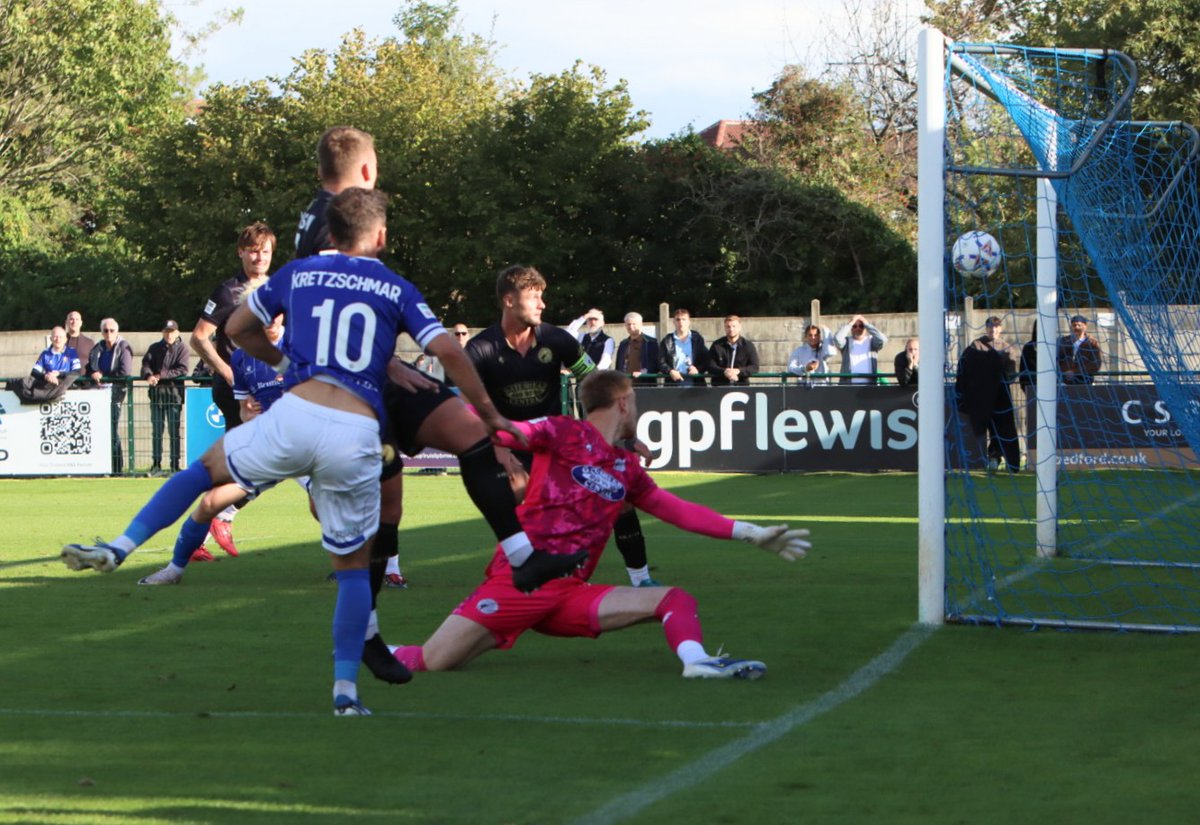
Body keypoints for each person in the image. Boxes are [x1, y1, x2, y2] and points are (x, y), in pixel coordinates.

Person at [62, 187, 521, 716]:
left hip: (295, 416)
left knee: (203, 473)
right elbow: (443, 348)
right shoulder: (391, 283)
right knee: (352, 569)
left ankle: (122, 545)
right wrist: (487, 415)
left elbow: (234, 329)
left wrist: (284, 367)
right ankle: (346, 693)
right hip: (354, 431)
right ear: (381, 236)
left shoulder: (298, 275)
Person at [387, 370, 811, 680]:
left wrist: (750, 532)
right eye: (636, 404)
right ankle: (368, 648)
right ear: (624, 401)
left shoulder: (626, 467)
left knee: (675, 599)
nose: (636, 413)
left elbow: (675, 508)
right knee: (435, 660)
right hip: (523, 581)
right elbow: (508, 432)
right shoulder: (562, 431)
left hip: (570, 592)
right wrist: (459, 412)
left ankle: (697, 662)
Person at [467, 265, 661, 588]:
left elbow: (598, 383)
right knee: (517, 493)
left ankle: (641, 580)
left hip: (555, 444)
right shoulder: (481, 349)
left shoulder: (556, 340)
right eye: (533, 297)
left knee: (619, 494)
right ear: (509, 301)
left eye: (542, 296)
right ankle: (520, 579)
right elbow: (466, 403)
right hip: (510, 448)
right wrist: (498, 449)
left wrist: (626, 434)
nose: (542, 304)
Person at [189, 221, 276, 555]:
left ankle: (201, 535)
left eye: (265, 251)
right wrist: (228, 373)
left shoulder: (274, 288)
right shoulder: (229, 291)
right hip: (240, 391)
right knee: (266, 460)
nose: (259, 257)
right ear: (241, 252)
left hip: (267, 386)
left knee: (249, 463)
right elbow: (198, 337)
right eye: (253, 250)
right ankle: (220, 516)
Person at [956, 316, 1020, 473]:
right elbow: (964, 367)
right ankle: (984, 458)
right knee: (979, 427)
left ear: (1001, 329)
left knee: (1002, 429)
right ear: (986, 328)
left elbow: (1011, 375)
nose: (993, 330)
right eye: (991, 327)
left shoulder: (1007, 348)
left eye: (996, 327)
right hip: (980, 397)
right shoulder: (975, 345)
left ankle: (1000, 458)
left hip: (1000, 396)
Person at [140, 320, 190, 473]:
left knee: (174, 432)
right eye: (167, 331)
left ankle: (175, 464)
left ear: (177, 333)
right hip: (157, 395)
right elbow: (145, 365)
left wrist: (160, 376)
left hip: (174, 395)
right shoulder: (154, 347)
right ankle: (156, 464)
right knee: (157, 431)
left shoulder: (182, 348)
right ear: (163, 332)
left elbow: (182, 369)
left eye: (172, 331)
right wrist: (148, 376)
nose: (169, 334)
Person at [87, 318, 134, 473]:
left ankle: (117, 467)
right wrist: (94, 372)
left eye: (112, 330)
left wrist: (104, 375)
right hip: (99, 394)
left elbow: (124, 371)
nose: (108, 333)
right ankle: (103, 466)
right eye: (105, 330)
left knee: (112, 429)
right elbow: (90, 365)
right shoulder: (98, 348)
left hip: (116, 394)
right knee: (102, 430)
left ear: (117, 331)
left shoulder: (124, 347)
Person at [8, 326, 81, 403]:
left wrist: (59, 374)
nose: (58, 339)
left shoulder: (72, 352)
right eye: (55, 337)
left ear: (65, 339)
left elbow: (77, 372)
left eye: (61, 337)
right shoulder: (45, 353)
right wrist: (46, 376)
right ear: (51, 339)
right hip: (48, 384)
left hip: (64, 387)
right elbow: (34, 371)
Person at [659, 308, 708, 386]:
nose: (681, 322)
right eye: (678, 320)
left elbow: (707, 360)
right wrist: (670, 371)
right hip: (673, 384)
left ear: (689, 322)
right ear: (673, 322)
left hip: (695, 384)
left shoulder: (697, 339)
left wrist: (698, 369)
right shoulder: (667, 340)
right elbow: (660, 362)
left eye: (684, 319)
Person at [833, 315, 888, 384]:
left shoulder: (872, 341)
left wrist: (867, 324)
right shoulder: (846, 342)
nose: (858, 328)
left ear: (865, 328)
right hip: (848, 386)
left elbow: (882, 340)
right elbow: (837, 339)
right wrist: (850, 323)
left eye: (861, 326)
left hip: (870, 386)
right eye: (854, 326)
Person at [707, 314, 759, 386]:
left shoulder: (748, 346)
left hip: (741, 387)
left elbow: (754, 367)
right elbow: (710, 366)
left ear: (739, 327)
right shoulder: (716, 345)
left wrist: (738, 371)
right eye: (728, 327)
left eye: (734, 326)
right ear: (725, 328)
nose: (731, 329)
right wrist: (724, 372)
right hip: (719, 387)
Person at [615, 311, 659, 386]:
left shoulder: (650, 343)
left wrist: (643, 373)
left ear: (641, 324)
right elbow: (618, 366)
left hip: (645, 385)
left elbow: (656, 364)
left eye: (634, 324)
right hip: (625, 385)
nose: (631, 327)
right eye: (628, 324)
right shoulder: (623, 344)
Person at [1057, 314, 1102, 385]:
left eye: (1079, 325)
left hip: (1084, 381)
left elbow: (1095, 365)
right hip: (1064, 381)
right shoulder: (1064, 341)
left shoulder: (1092, 343)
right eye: (1074, 325)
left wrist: (1075, 371)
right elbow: (1057, 359)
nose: (1076, 327)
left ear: (1085, 326)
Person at [1019, 323, 1038, 456]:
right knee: (1032, 422)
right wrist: (1028, 388)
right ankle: (1031, 455)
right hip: (1033, 391)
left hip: (1053, 393)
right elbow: (1022, 371)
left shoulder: (1056, 345)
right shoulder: (1029, 347)